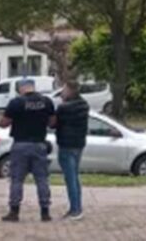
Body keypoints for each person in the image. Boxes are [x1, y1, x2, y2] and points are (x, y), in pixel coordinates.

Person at [0, 79, 56, 222]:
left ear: (20, 89)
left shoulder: (16, 103)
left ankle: (14, 211)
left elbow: (4, 123)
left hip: (20, 144)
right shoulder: (46, 101)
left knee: (17, 179)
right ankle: (45, 212)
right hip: (39, 144)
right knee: (42, 179)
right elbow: (52, 122)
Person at [54, 80, 90, 221]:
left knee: (70, 178)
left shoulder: (64, 108)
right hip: (78, 144)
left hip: (66, 144)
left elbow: (55, 123)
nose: (62, 93)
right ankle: (77, 207)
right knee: (74, 177)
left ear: (70, 91)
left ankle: (75, 210)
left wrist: (61, 103)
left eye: (64, 90)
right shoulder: (84, 105)